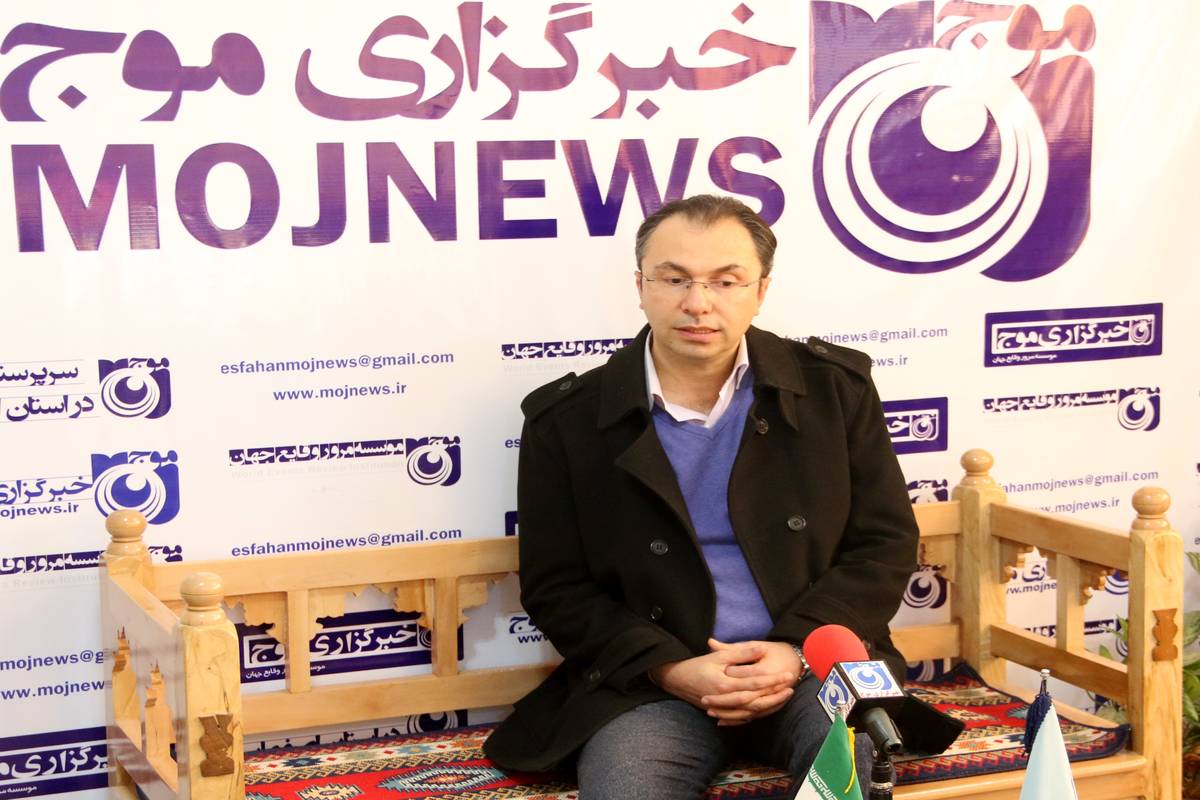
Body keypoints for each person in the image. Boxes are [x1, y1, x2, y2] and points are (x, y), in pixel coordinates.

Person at [484, 194, 948, 798]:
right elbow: (557, 585)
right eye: (674, 279)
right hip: (652, 684)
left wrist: (794, 650)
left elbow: (882, 543)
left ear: (761, 290)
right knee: (628, 789)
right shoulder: (567, 420)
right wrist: (670, 668)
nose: (698, 303)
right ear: (640, 286)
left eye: (725, 282)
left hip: (812, 666)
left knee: (848, 775)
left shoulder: (834, 391)